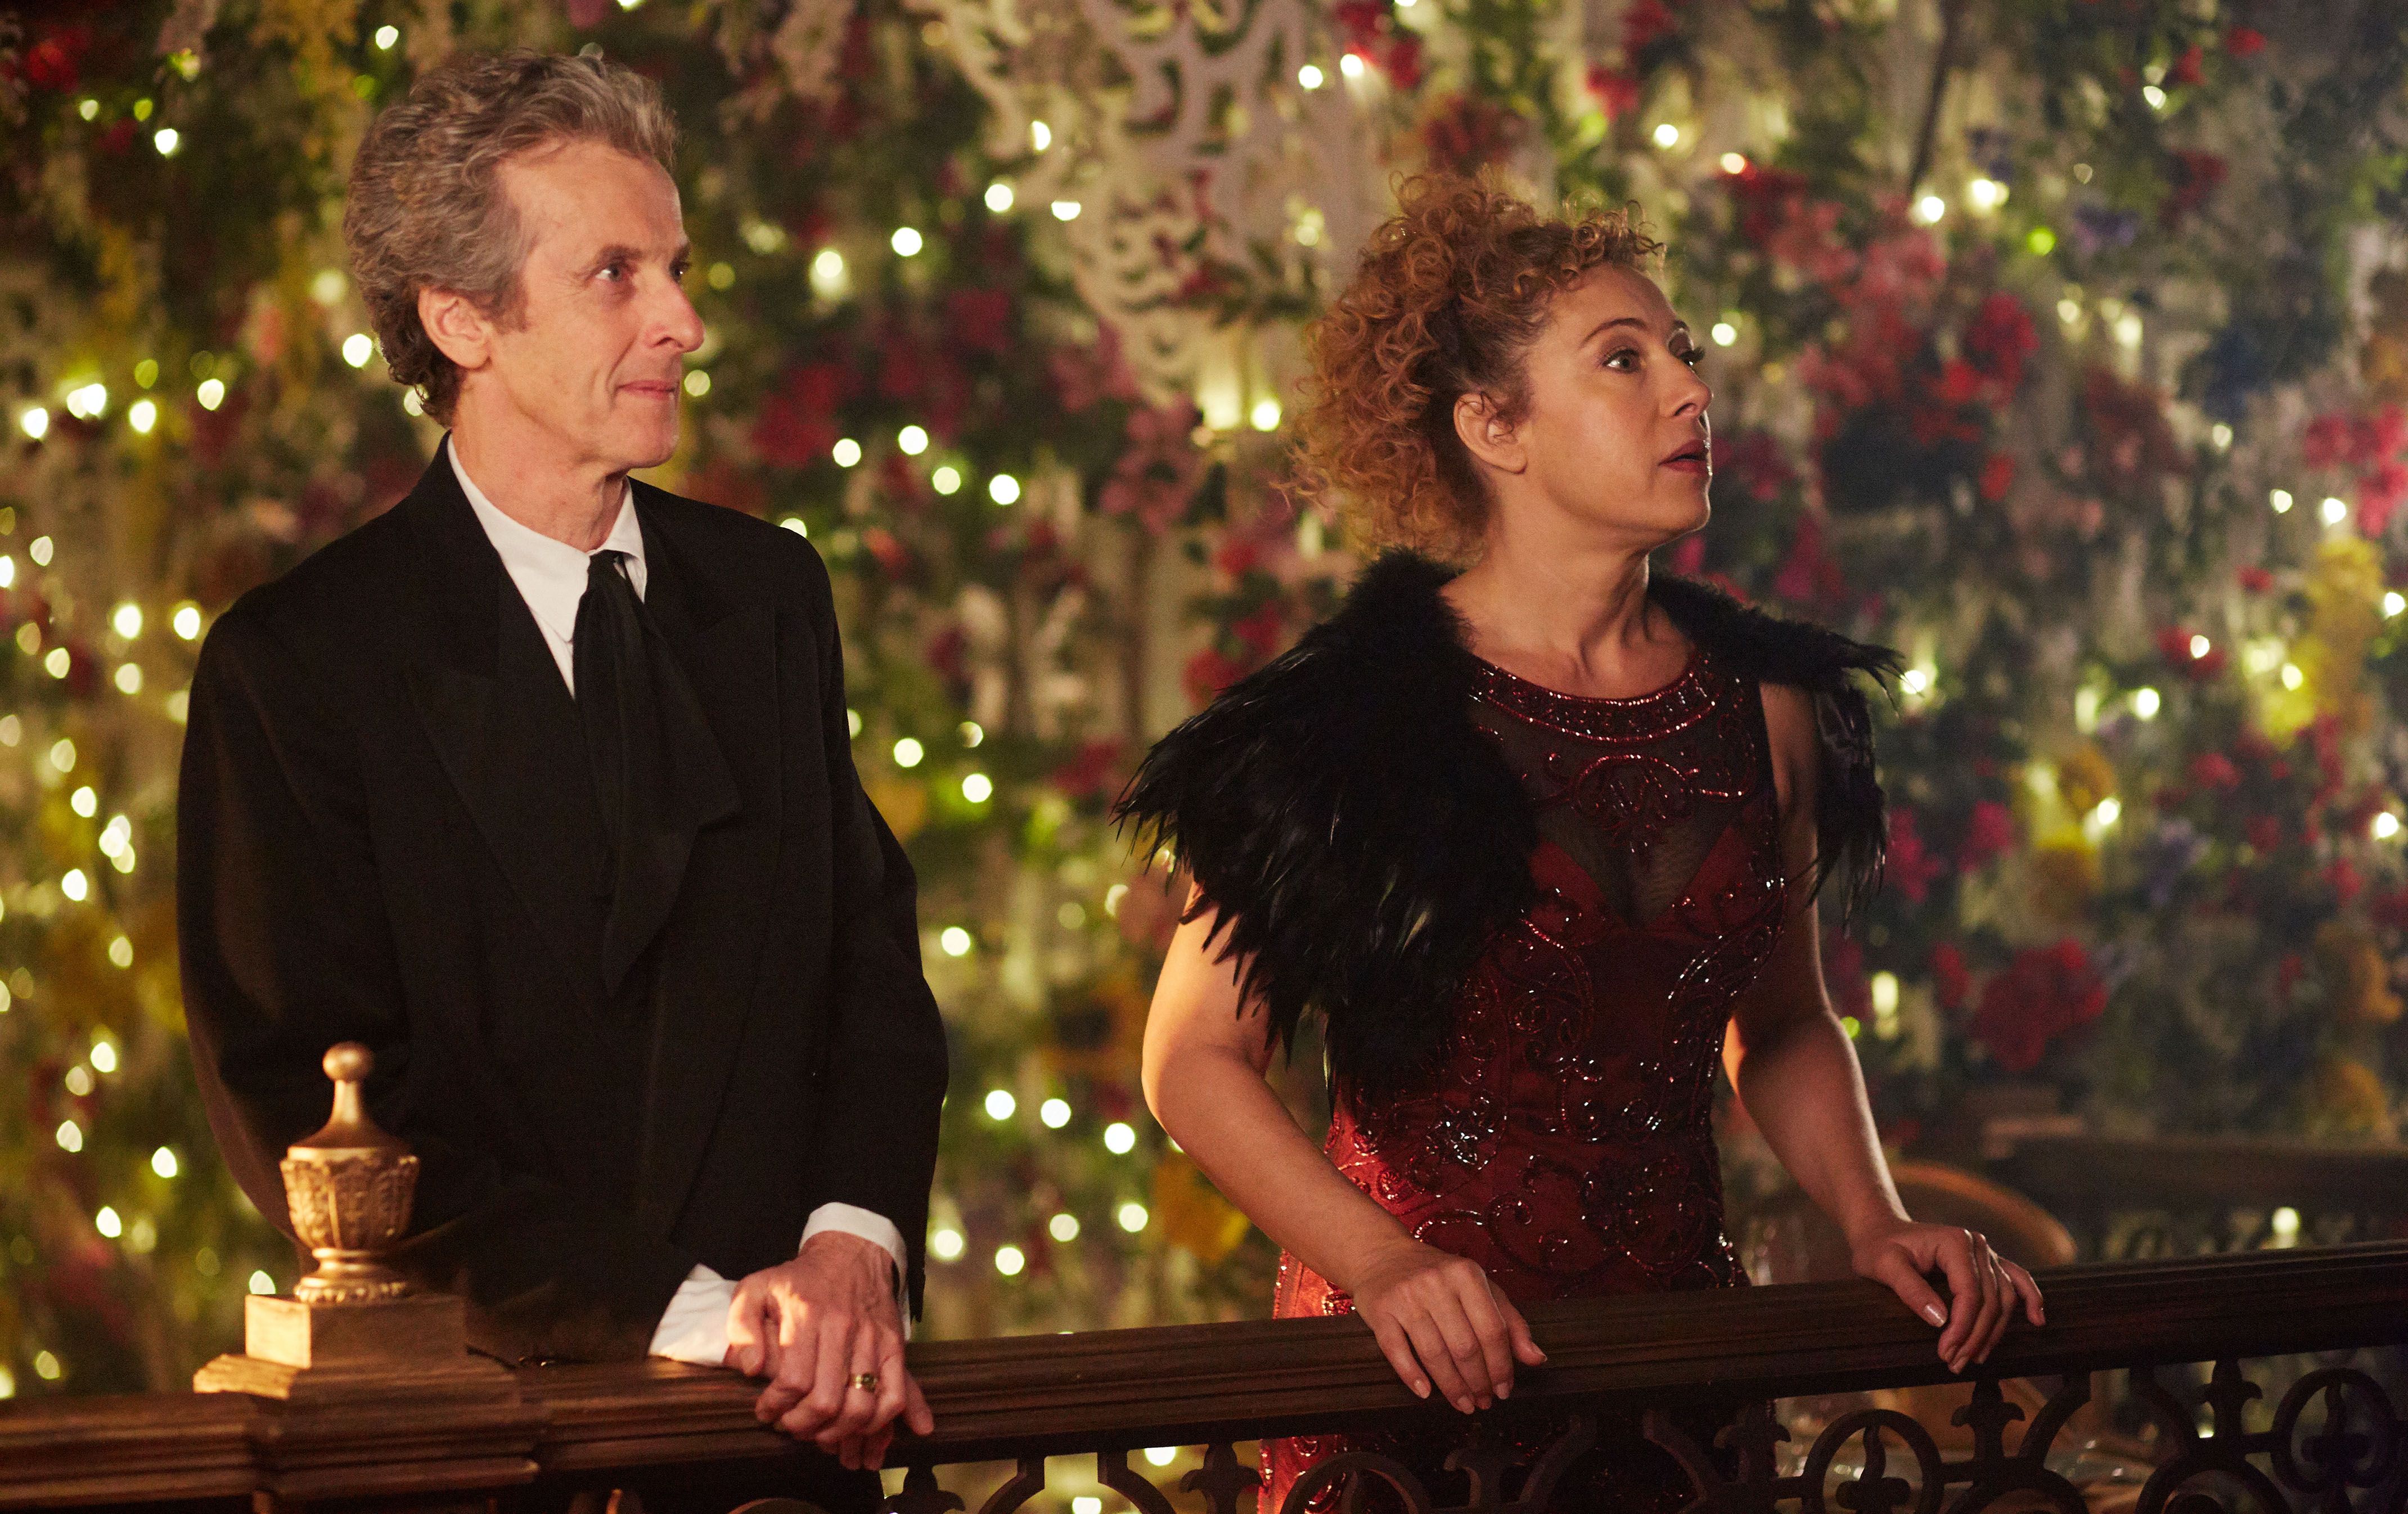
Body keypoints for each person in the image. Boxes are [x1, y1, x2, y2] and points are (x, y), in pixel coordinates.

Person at [1119, 174, 2046, 1511]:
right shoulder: (1350, 717)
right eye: (1623, 359)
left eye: (1684, 353)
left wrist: (1873, 1216)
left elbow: (1784, 1024)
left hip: (1677, 1375)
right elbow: (1194, 1058)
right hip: (1413, 1376)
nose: (1688, 390)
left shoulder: (1768, 708)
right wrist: (1380, 1263)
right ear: (1491, 424)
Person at [177, 51, 947, 1497]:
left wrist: (852, 1244)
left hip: (788, 1452)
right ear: (460, 318)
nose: (684, 322)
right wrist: (699, 1316)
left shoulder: (770, 595)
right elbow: (312, 1114)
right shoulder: (299, 665)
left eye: (677, 268)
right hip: (488, 1453)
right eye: (614, 274)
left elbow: (868, 968)